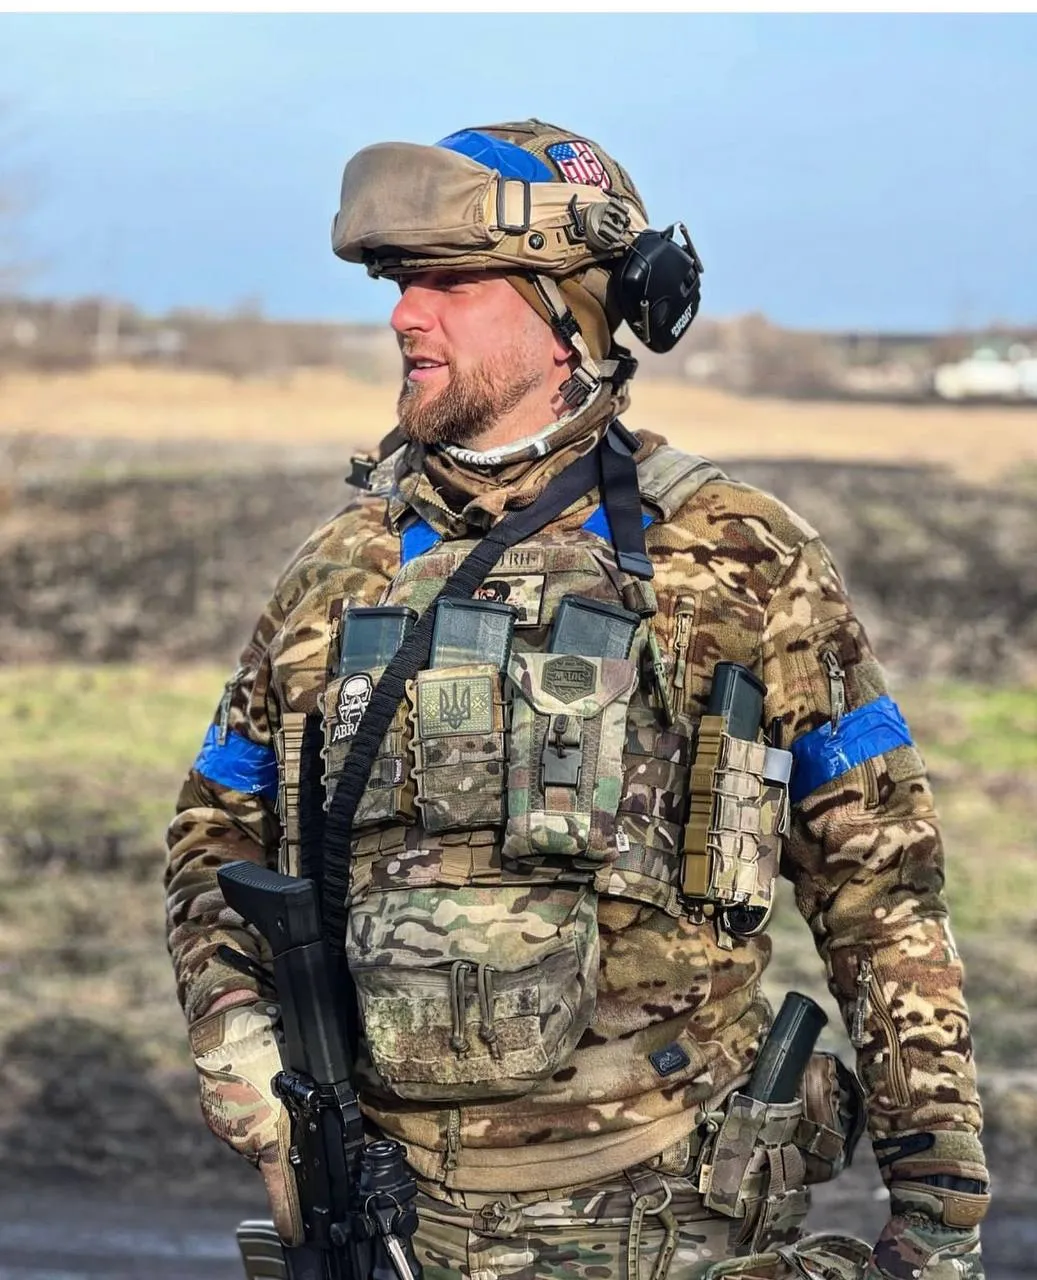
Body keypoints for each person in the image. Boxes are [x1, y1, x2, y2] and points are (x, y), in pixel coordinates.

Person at [165, 119, 989, 1280]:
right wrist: (242, 1055)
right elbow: (216, 826)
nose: (405, 316)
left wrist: (938, 1214)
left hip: (668, 1227)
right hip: (383, 1221)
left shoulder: (736, 557)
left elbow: (881, 886)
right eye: (400, 283)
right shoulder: (339, 569)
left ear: (569, 314)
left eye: (451, 283)